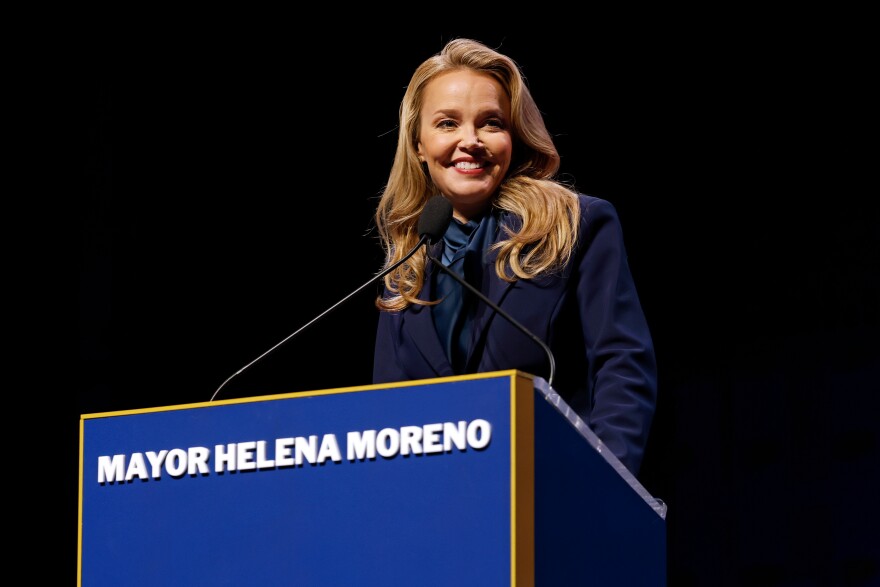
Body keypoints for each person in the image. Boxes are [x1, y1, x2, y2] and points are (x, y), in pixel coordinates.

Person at [371, 38, 657, 477]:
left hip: (556, 488)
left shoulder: (575, 226)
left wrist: (600, 483)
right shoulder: (406, 271)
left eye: (491, 123)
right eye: (447, 123)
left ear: (514, 137)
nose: (470, 141)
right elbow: (386, 421)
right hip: (441, 504)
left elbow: (622, 367)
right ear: (418, 145)